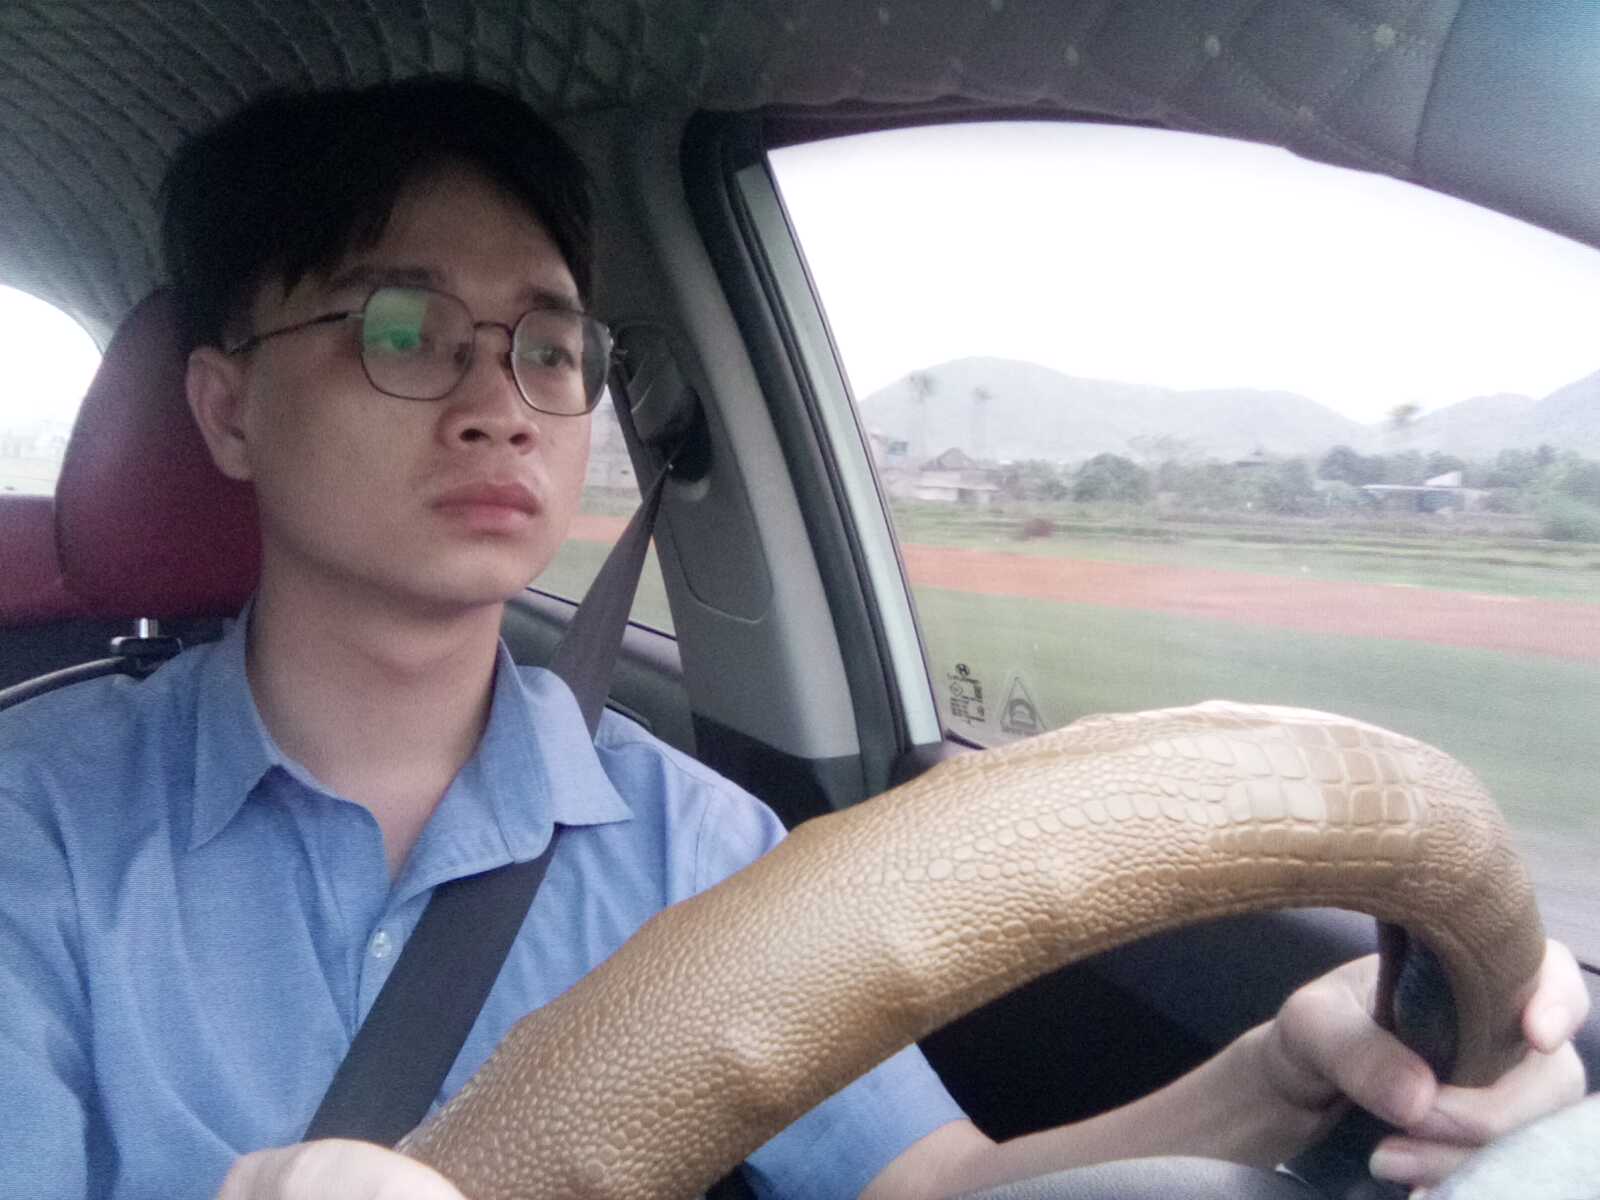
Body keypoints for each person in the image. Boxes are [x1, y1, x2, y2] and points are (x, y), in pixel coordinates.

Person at [0, 77, 1586, 1200]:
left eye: (548, 347)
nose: (500, 403)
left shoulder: (695, 842)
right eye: (401, 329)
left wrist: (1279, 1076)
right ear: (228, 410)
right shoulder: (36, 827)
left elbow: (935, 1188)